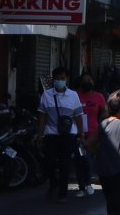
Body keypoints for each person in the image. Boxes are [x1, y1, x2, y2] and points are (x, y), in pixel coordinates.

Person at [39, 67, 88, 203]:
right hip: (51, 134)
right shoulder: (46, 95)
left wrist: (81, 133)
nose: (60, 81)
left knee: (65, 164)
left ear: (66, 80)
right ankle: (53, 184)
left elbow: (78, 116)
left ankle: (62, 193)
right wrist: (40, 134)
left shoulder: (73, 95)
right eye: (58, 78)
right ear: (53, 79)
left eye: (63, 78)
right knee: (49, 162)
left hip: (69, 135)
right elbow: (42, 116)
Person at [75, 74, 107, 197]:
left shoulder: (98, 97)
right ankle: (83, 186)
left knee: (88, 159)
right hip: (78, 133)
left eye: (90, 80)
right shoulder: (75, 96)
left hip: (93, 133)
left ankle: (87, 183)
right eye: (85, 80)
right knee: (81, 159)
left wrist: (103, 123)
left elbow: (103, 112)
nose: (88, 82)